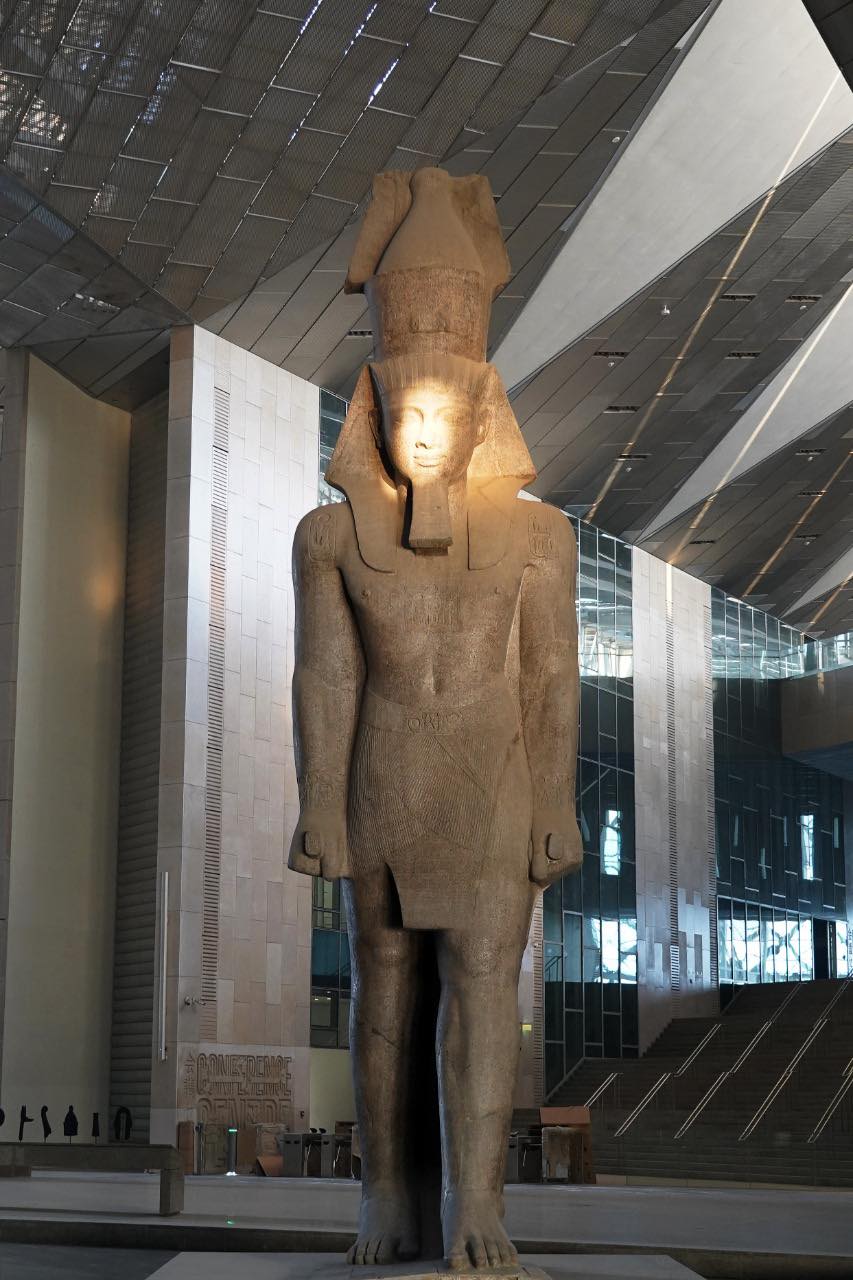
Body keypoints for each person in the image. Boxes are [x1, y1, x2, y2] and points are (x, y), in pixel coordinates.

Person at [288, 168, 580, 1270]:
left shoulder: (539, 537)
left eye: (444, 417)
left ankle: (475, 1204)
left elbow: (552, 676)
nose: (421, 434)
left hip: (493, 772)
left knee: (482, 978)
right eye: (404, 414)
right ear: (373, 410)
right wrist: (320, 800)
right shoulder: (328, 537)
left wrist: (554, 801)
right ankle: (385, 1196)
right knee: (385, 976)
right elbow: (326, 676)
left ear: (479, 421)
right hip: (382, 769)